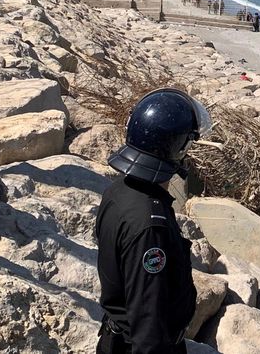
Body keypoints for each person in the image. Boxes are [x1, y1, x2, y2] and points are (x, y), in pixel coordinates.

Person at [97, 88, 209, 353]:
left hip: (117, 337)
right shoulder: (149, 226)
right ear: (177, 147)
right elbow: (148, 324)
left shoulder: (119, 190)